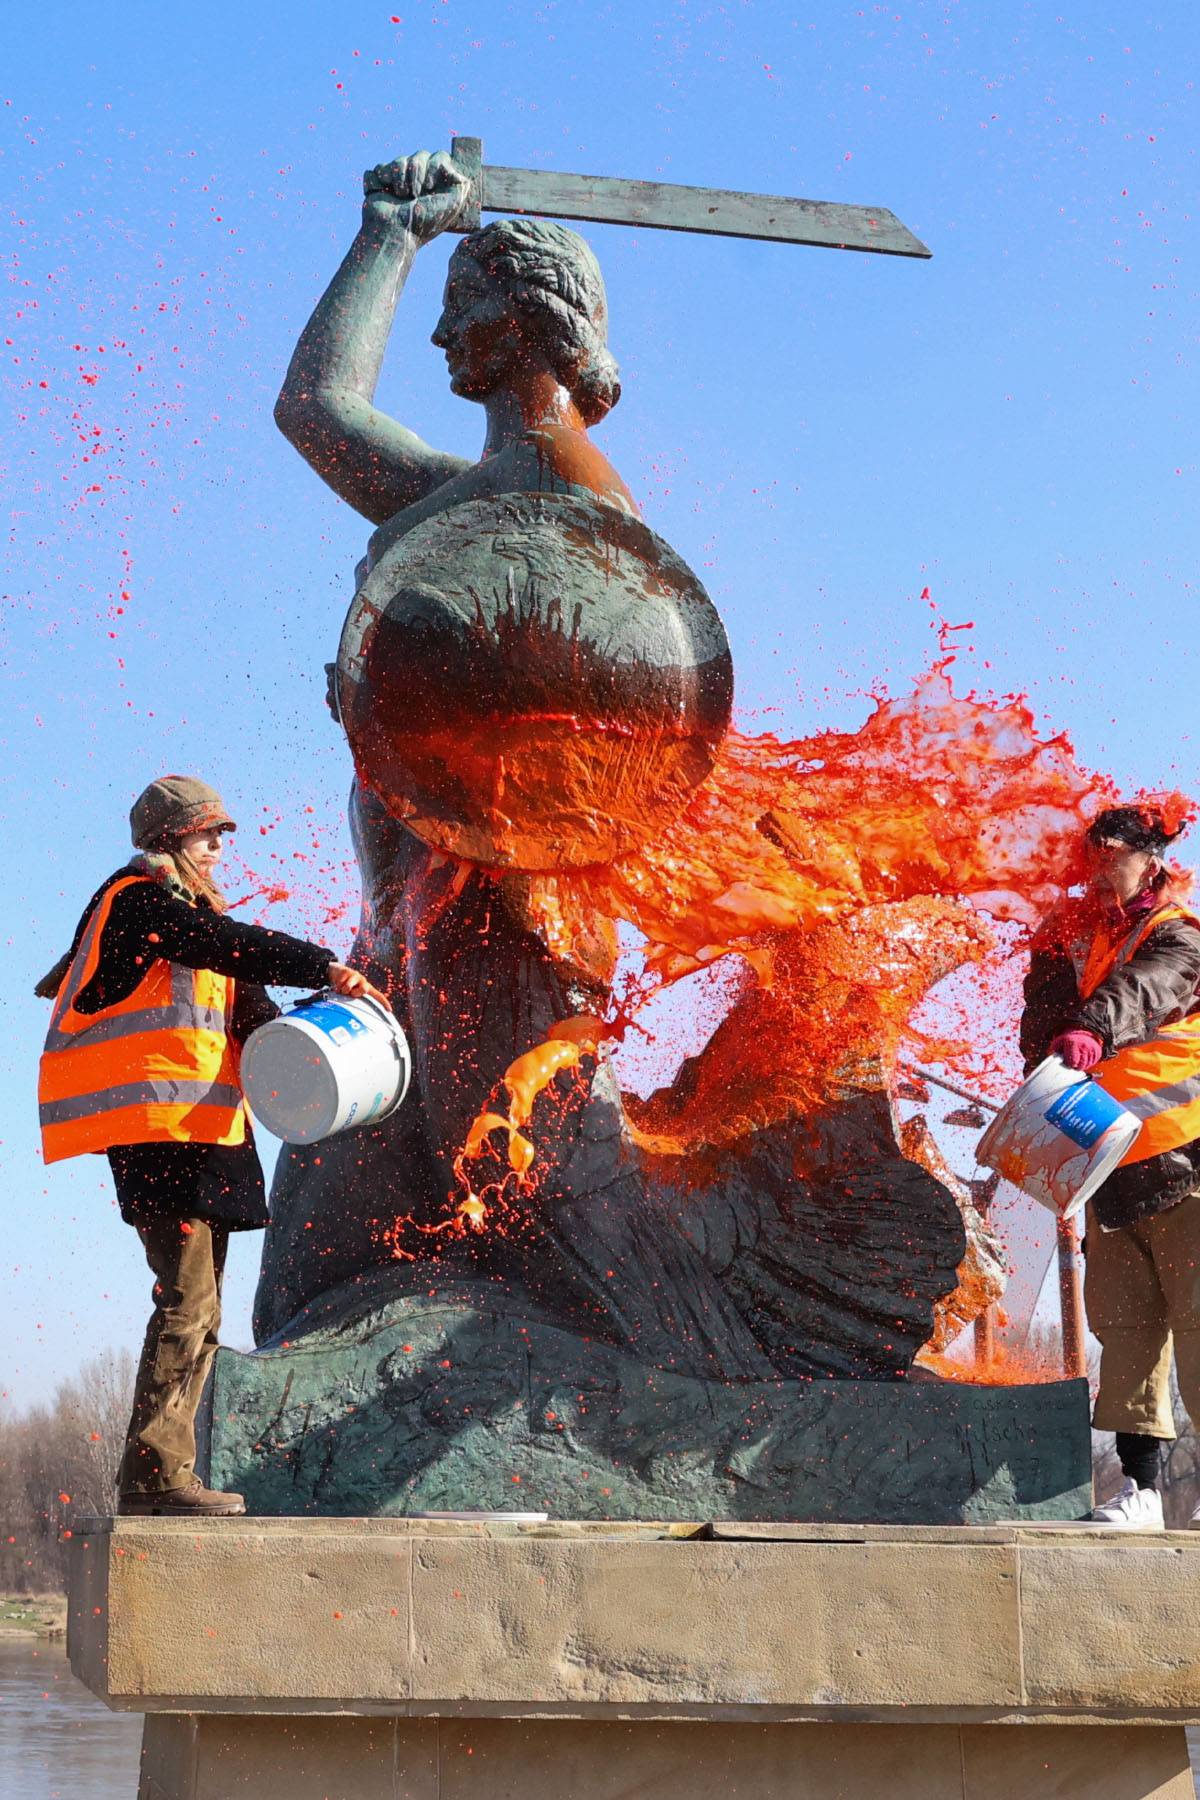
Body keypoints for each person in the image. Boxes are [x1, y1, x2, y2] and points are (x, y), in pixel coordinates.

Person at [36, 776, 389, 1518]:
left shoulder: (188, 917)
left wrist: (332, 1024)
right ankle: (156, 1481)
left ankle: (167, 1472)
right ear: (170, 839)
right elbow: (225, 945)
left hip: (200, 1134)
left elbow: (254, 1014)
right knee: (187, 1303)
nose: (221, 846)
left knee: (202, 1309)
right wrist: (322, 962)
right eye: (209, 834)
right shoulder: (137, 905)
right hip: (157, 1133)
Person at [1021, 804, 1200, 1528]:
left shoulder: (1179, 934)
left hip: (1187, 1159)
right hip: (1111, 1166)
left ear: (1149, 864)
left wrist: (1089, 1027)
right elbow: (1042, 1028)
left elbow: (1142, 993)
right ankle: (1143, 1493)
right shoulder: (1082, 939)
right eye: (1088, 858)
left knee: (1198, 1324)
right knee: (1126, 1330)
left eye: (1111, 859)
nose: (1096, 872)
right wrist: (1045, 977)